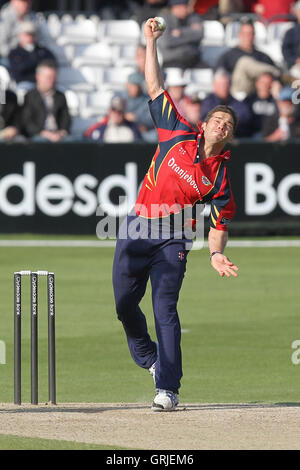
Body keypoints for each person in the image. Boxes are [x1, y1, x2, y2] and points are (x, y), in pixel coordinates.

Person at [112, 17, 239, 412]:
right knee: (122, 305)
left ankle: (168, 387)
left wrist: (215, 253)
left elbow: (219, 224)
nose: (221, 124)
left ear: (229, 136)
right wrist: (150, 42)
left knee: (165, 310)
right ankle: (149, 359)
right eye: (217, 119)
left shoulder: (219, 176)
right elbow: (154, 86)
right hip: (137, 226)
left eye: (228, 124)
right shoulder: (178, 130)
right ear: (205, 125)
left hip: (173, 239)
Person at [21, 60, 71, 142]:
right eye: (48, 77)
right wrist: (44, 133)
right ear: (38, 76)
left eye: (53, 77)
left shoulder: (60, 96)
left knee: (72, 142)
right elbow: (27, 123)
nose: (51, 80)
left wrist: (62, 132)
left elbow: (66, 118)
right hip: (39, 135)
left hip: (58, 135)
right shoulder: (30, 96)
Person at [200, 68, 252, 137]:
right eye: (221, 84)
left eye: (226, 84)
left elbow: (245, 120)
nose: (224, 87)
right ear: (214, 85)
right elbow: (206, 121)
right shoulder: (207, 102)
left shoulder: (238, 104)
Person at [8, 21, 56, 90]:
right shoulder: (15, 53)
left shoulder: (42, 51)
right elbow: (19, 70)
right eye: (27, 35)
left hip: (44, 84)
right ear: (20, 35)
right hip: (25, 84)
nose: (30, 38)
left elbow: (52, 64)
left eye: (32, 35)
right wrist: (33, 59)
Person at [157, 0, 205, 69]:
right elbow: (167, 42)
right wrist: (190, 32)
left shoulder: (192, 16)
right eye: (184, 7)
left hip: (193, 59)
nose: (187, 9)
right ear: (175, 7)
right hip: (172, 61)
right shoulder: (164, 19)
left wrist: (181, 32)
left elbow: (199, 34)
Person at [122, 71, 156, 142]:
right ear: (127, 85)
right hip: (124, 129)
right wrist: (125, 117)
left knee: (153, 136)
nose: (135, 88)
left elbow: (152, 119)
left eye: (137, 85)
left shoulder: (147, 100)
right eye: (133, 85)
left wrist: (136, 118)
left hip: (144, 131)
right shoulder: (121, 97)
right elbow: (114, 115)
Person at [243, 72, 278, 138]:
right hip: (252, 135)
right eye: (262, 82)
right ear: (257, 83)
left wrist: (277, 95)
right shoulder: (249, 100)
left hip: (272, 134)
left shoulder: (276, 100)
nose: (265, 86)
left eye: (269, 83)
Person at [282, 1, 300, 71]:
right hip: (297, 66)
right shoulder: (290, 33)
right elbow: (286, 51)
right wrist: (295, 60)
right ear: (297, 13)